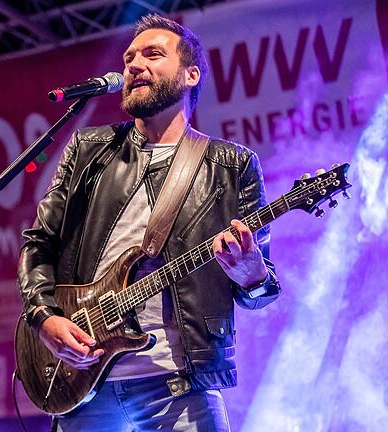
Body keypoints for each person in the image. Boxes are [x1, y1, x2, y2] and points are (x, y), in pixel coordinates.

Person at [18, 14, 281, 431]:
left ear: (191, 74)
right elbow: (39, 241)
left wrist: (252, 275)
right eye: (128, 58)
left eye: (152, 54)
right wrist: (43, 316)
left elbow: (259, 292)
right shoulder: (90, 149)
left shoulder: (231, 166)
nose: (134, 64)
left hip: (180, 387)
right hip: (86, 386)